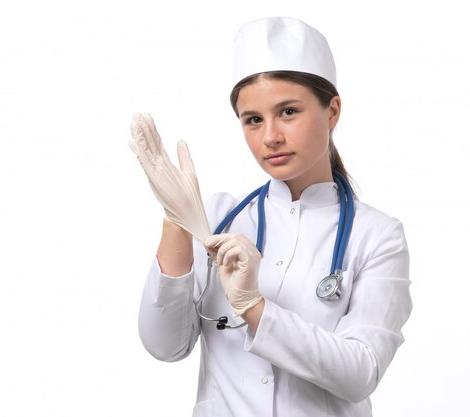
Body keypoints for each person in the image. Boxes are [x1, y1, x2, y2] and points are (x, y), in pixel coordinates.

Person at [129, 16, 412, 417]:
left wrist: (252, 306)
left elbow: (360, 371)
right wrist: (177, 221)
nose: (270, 137)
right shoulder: (218, 217)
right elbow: (164, 345)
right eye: (253, 120)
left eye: (289, 111)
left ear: (332, 111)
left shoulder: (377, 235)